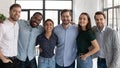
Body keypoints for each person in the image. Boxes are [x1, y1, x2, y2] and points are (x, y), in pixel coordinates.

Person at [0, 3, 21, 68]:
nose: (17, 13)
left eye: (19, 12)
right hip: (4, 60)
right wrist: (3, 58)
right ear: (9, 12)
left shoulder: (17, 25)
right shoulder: (2, 25)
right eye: (14, 11)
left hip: (15, 60)